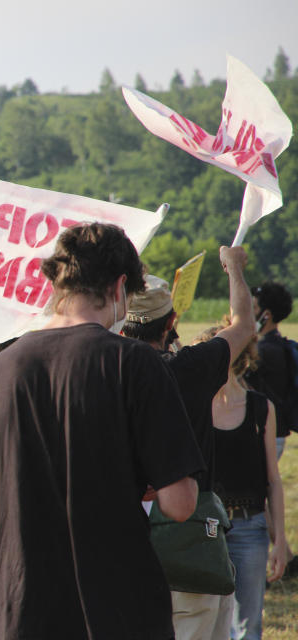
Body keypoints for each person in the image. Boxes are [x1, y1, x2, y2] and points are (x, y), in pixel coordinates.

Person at [0, 222, 203, 639]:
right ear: (120, 287)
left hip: (18, 609)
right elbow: (180, 503)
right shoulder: (135, 363)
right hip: (116, 610)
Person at [122, 250, 255, 639]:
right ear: (173, 323)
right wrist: (234, 270)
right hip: (191, 539)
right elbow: (244, 324)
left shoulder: (106, 371)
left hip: (122, 543)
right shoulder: (193, 366)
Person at [198, 324, 288, 639]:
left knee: (248, 628)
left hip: (250, 528)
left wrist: (281, 541)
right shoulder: (195, 408)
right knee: (206, 623)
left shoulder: (262, 408)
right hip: (205, 529)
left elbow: (273, 481)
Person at [246, 281, 295, 459]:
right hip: (275, 431)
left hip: (267, 433)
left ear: (266, 315)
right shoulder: (277, 345)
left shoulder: (264, 351)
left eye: (254, 307)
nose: (249, 312)